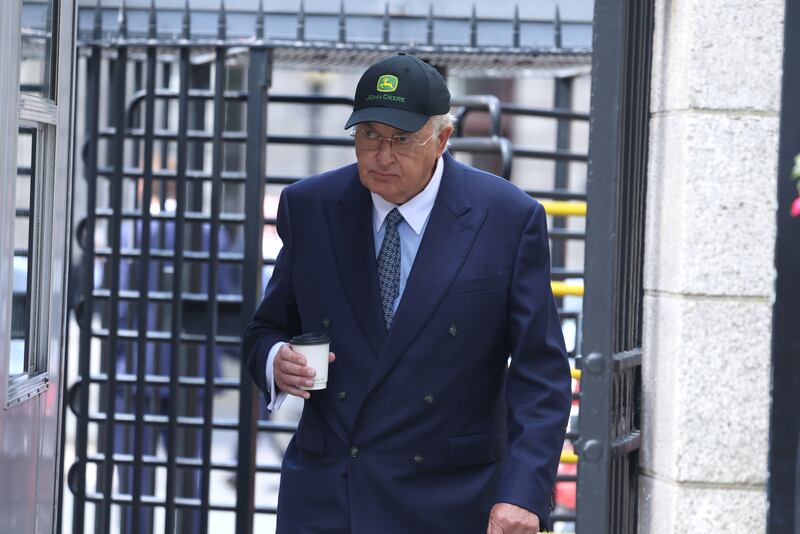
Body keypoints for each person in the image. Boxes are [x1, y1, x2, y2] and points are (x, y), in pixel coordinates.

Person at [243, 53, 572, 534]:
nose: (381, 156)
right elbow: (265, 329)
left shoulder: (506, 218)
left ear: (442, 139)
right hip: (331, 498)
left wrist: (521, 492)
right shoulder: (310, 207)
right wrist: (275, 360)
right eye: (368, 135)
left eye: (401, 140)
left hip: (450, 500)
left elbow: (540, 373)